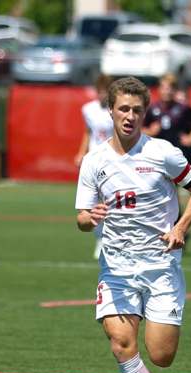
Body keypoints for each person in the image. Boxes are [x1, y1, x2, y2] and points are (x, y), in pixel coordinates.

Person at [75, 76, 191, 373]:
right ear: (110, 111)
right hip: (117, 269)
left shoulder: (162, 153)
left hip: (160, 265)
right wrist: (89, 217)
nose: (129, 116)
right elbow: (80, 217)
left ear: (144, 112)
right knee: (121, 342)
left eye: (137, 110)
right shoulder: (94, 161)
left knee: (161, 356)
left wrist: (181, 227)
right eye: (123, 108)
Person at [143, 74, 191, 233]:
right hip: (161, 159)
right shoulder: (153, 109)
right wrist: (150, 131)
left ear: (175, 90)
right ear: (159, 90)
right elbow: (140, 129)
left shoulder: (183, 108)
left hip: (184, 155)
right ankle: (178, 226)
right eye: (164, 88)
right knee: (170, 193)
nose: (167, 91)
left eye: (170, 88)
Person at [74, 74, 115, 260]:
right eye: (99, 92)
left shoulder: (115, 111)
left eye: (105, 92)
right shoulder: (88, 109)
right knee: (92, 204)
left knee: (111, 201)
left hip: (112, 161)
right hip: (93, 161)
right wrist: (81, 152)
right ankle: (99, 239)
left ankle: (110, 238)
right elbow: (87, 132)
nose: (101, 96)